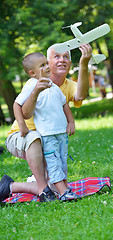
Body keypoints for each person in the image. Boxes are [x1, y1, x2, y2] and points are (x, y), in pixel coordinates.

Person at [0, 44, 92, 202]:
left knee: (58, 182)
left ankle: (10, 186)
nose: (61, 60)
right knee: (35, 137)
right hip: (25, 137)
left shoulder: (58, 87)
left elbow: (76, 97)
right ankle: (43, 190)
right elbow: (24, 111)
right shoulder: (32, 84)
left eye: (66, 57)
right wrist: (35, 92)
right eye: (56, 57)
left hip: (51, 137)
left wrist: (84, 63)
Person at [14, 52, 79, 201]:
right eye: (42, 65)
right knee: (53, 162)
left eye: (46, 63)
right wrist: (22, 125)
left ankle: (64, 188)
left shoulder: (53, 85)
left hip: (61, 133)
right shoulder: (32, 85)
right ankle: (63, 193)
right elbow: (17, 104)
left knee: (62, 161)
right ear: (33, 73)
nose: (47, 66)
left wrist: (71, 122)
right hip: (48, 134)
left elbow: (64, 104)